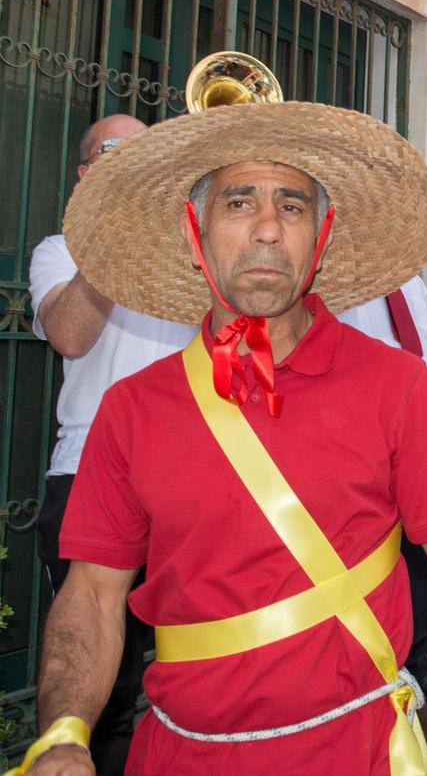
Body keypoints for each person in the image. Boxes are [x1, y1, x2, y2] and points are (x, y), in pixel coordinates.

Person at [18, 101, 427, 776]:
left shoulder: (393, 385)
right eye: (238, 202)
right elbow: (94, 595)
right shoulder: (132, 408)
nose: (265, 229)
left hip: (363, 750)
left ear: (323, 234)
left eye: (291, 206)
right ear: (195, 235)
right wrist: (64, 733)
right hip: (182, 756)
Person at [27, 115, 198, 775]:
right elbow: (70, 334)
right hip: (88, 476)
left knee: (191, 669)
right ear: (84, 173)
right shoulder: (61, 250)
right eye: (116, 152)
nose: (132, 162)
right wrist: (115, 236)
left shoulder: (188, 252)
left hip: (188, 479)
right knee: (102, 685)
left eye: (144, 152)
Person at [338, 275, 427, 705]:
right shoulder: (337, 284)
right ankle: (369, 664)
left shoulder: (412, 285)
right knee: (366, 554)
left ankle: (418, 657)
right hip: (362, 434)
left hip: (419, 431)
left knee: (423, 555)